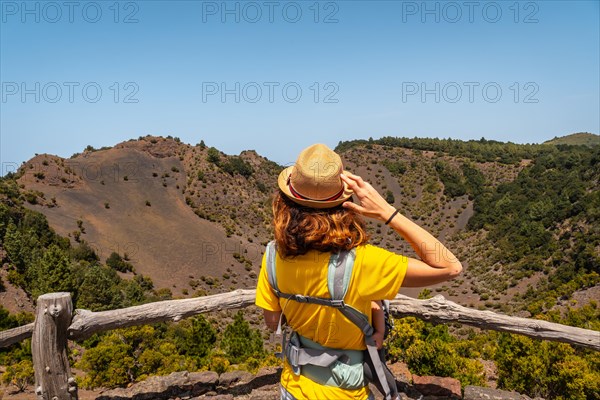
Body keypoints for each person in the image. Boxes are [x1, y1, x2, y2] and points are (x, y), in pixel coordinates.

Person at [255, 143, 462, 400]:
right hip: (347, 392)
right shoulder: (365, 262)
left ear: (285, 201)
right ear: (346, 202)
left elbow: (273, 322)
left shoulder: (273, 255)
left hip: (293, 386)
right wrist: (387, 212)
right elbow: (450, 266)